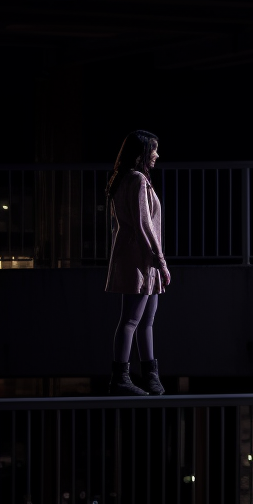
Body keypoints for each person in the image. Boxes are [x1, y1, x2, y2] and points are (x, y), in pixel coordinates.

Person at [103, 130, 171, 396]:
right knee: (133, 320)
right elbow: (144, 224)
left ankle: (149, 376)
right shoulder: (138, 180)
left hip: (142, 257)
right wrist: (161, 260)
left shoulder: (129, 179)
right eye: (153, 149)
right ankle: (121, 377)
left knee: (144, 320)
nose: (156, 155)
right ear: (141, 153)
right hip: (140, 257)